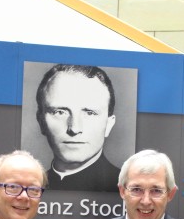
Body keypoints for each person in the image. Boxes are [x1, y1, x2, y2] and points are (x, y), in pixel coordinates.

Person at [35, 63, 121, 192]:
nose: (74, 129)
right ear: (41, 122)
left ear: (109, 124)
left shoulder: (128, 188)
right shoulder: (29, 188)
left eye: (90, 113)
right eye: (60, 112)